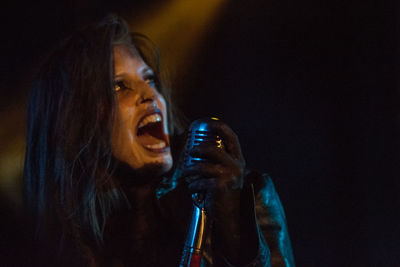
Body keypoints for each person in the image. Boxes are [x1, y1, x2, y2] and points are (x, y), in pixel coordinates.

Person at [23, 15, 295, 267]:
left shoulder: (246, 199)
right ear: (73, 120)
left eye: (149, 79)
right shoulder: (58, 239)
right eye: (119, 86)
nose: (150, 95)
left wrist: (234, 233)